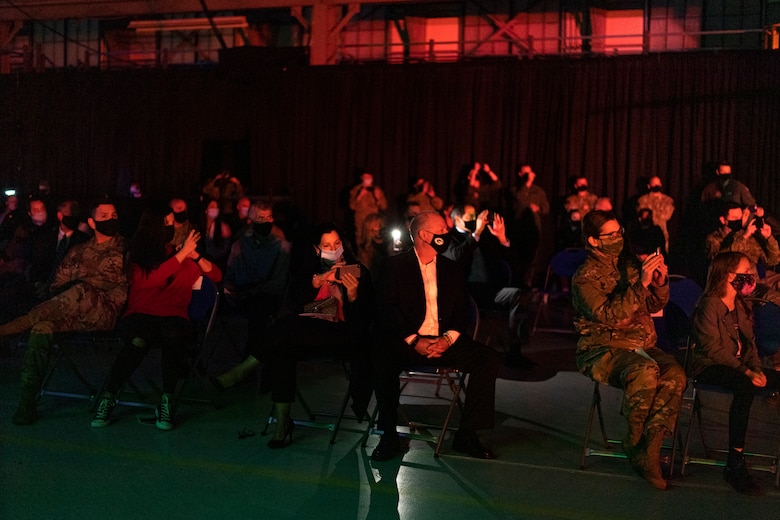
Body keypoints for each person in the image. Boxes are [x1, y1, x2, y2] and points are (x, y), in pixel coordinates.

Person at [212, 223, 375, 448]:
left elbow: (365, 319)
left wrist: (353, 295)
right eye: (327, 245)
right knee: (283, 347)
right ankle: (282, 424)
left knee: (287, 328)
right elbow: (296, 304)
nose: (334, 249)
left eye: (337, 243)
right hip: (304, 334)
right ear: (317, 249)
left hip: (341, 335)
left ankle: (241, 371)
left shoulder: (357, 271)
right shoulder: (308, 272)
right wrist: (317, 281)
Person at [371, 211, 502, 461]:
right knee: (381, 358)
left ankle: (467, 434)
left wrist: (446, 340)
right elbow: (387, 311)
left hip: (443, 341)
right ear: (423, 235)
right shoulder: (393, 267)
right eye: (441, 230)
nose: (447, 233)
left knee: (488, 359)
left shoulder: (451, 269)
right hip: (407, 341)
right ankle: (388, 435)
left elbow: (462, 312)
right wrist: (415, 341)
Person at [571, 210, 685, 489]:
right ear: (593, 241)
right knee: (645, 371)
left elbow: (653, 305)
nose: (618, 239)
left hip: (640, 344)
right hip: (602, 349)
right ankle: (635, 441)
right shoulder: (585, 278)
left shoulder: (629, 264)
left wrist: (658, 282)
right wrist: (641, 284)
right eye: (610, 235)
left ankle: (651, 447)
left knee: (675, 374)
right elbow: (609, 316)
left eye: (619, 232)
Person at [91, 207, 222, 431]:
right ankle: (108, 397)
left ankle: (167, 400)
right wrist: (182, 254)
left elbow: (216, 275)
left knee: (173, 336)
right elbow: (152, 280)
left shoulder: (180, 255)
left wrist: (195, 256)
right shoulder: (137, 256)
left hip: (173, 316)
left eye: (172, 223)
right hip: (141, 314)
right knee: (138, 340)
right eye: (166, 223)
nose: (172, 228)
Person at [1, 200, 128, 425]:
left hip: (103, 312)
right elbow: (57, 285)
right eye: (104, 216)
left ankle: (9, 329)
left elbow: (109, 282)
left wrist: (77, 285)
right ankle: (27, 401)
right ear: (92, 222)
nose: (111, 219)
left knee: (80, 290)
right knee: (42, 328)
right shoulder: (78, 250)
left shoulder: (124, 248)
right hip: (70, 312)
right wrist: (70, 288)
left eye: (114, 215)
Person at [690, 251, 780, 495]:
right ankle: (735, 461)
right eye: (745, 271)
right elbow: (712, 349)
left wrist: (757, 369)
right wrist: (746, 372)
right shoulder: (710, 305)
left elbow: (750, 344)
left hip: (740, 365)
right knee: (744, 385)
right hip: (710, 365)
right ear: (729, 275)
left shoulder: (739, 303)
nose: (751, 275)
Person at [509, 164, 550, 288]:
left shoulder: (538, 191)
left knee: (533, 255)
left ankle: (528, 281)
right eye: (525, 173)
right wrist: (526, 183)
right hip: (519, 227)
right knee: (518, 254)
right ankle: (516, 281)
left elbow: (546, 207)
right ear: (520, 174)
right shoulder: (514, 189)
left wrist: (539, 208)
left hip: (533, 227)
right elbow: (520, 199)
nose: (528, 175)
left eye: (530, 173)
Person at [636, 176, 675, 253]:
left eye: (658, 183)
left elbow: (667, 216)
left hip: (662, 233)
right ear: (649, 186)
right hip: (645, 234)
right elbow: (642, 216)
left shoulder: (668, 200)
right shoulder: (642, 200)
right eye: (654, 184)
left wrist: (652, 215)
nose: (656, 186)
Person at [199, 198, 233, 270]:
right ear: (205, 209)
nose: (215, 209)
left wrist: (212, 258)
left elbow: (226, 249)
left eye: (216, 207)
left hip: (217, 264)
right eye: (212, 207)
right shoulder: (198, 227)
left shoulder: (224, 227)